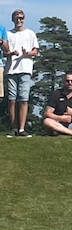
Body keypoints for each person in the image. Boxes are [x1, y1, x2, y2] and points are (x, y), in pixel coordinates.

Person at [5, 9, 39, 137]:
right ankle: (13, 128)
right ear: (12, 20)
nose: (19, 20)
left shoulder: (30, 34)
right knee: (12, 100)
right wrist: (10, 53)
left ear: (24, 19)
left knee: (23, 99)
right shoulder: (8, 34)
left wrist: (27, 54)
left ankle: (21, 129)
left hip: (25, 69)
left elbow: (35, 51)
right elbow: (4, 52)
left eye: (21, 18)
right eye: (16, 18)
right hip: (11, 69)